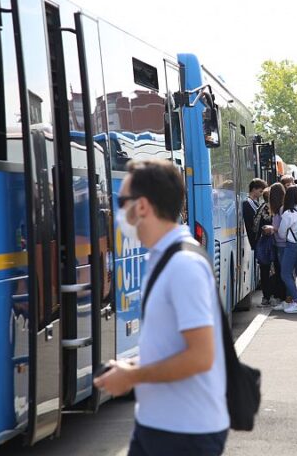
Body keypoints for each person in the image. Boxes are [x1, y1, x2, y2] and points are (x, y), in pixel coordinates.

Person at [94, 159, 228, 455]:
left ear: (141, 206)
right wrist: (132, 365)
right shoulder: (162, 257)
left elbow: (200, 356)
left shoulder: (183, 265)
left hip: (185, 433)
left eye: (120, 201)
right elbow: (170, 343)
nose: (116, 211)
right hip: (159, 424)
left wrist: (132, 376)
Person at [246, 180, 275, 307]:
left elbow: (255, 227)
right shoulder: (272, 208)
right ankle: (275, 295)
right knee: (273, 270)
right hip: (271, 243)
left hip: (262, 244)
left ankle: (267, 297)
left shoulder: (260, 207)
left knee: (265, 270)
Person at [268, 183, 289, 310]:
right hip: (281, 243)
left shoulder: (281, 209)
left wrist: (272, 229)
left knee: (284, 272)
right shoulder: (280, 209)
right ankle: (286, 297)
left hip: (282, 244)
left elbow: (281, 228)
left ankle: (287, 298)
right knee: (283, 272)